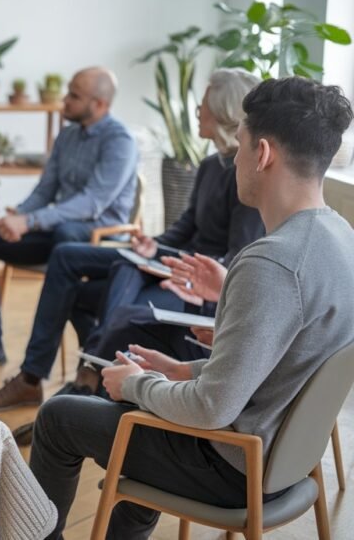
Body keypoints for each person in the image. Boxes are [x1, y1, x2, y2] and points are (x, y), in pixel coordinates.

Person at [29, 77, 354, 539]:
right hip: (287, 462)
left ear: (262, 154)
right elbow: (276, 366)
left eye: (239, 145)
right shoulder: (342, 238)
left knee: (58, 418)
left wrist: (139, 385)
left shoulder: (271, 261)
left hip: (231, 466)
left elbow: (209, 410)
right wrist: (182, 370)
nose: (234, 159)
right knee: (148, 417)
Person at [0, 68, 263, 412]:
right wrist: (153, 245)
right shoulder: (207, 166)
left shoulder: (245, 175)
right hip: (171, 260)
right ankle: (50, 378)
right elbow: (185, 226)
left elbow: (236, 257)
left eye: (202, 104)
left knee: (94, 288)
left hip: (195, 279)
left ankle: (85, 377)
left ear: (223, 111)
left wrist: (172, 263)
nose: (197, 111)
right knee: (72, 255)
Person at [0, 67, 138, 365]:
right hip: (58, 228)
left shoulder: (120, 141)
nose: (64, 100)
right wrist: (17, 216)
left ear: (99, 104)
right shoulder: (67, 136)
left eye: (73, 95)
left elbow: (92, 203)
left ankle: (54, 363)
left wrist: (30, 222)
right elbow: (45, 191)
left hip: (99, 235)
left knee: (66, 235)